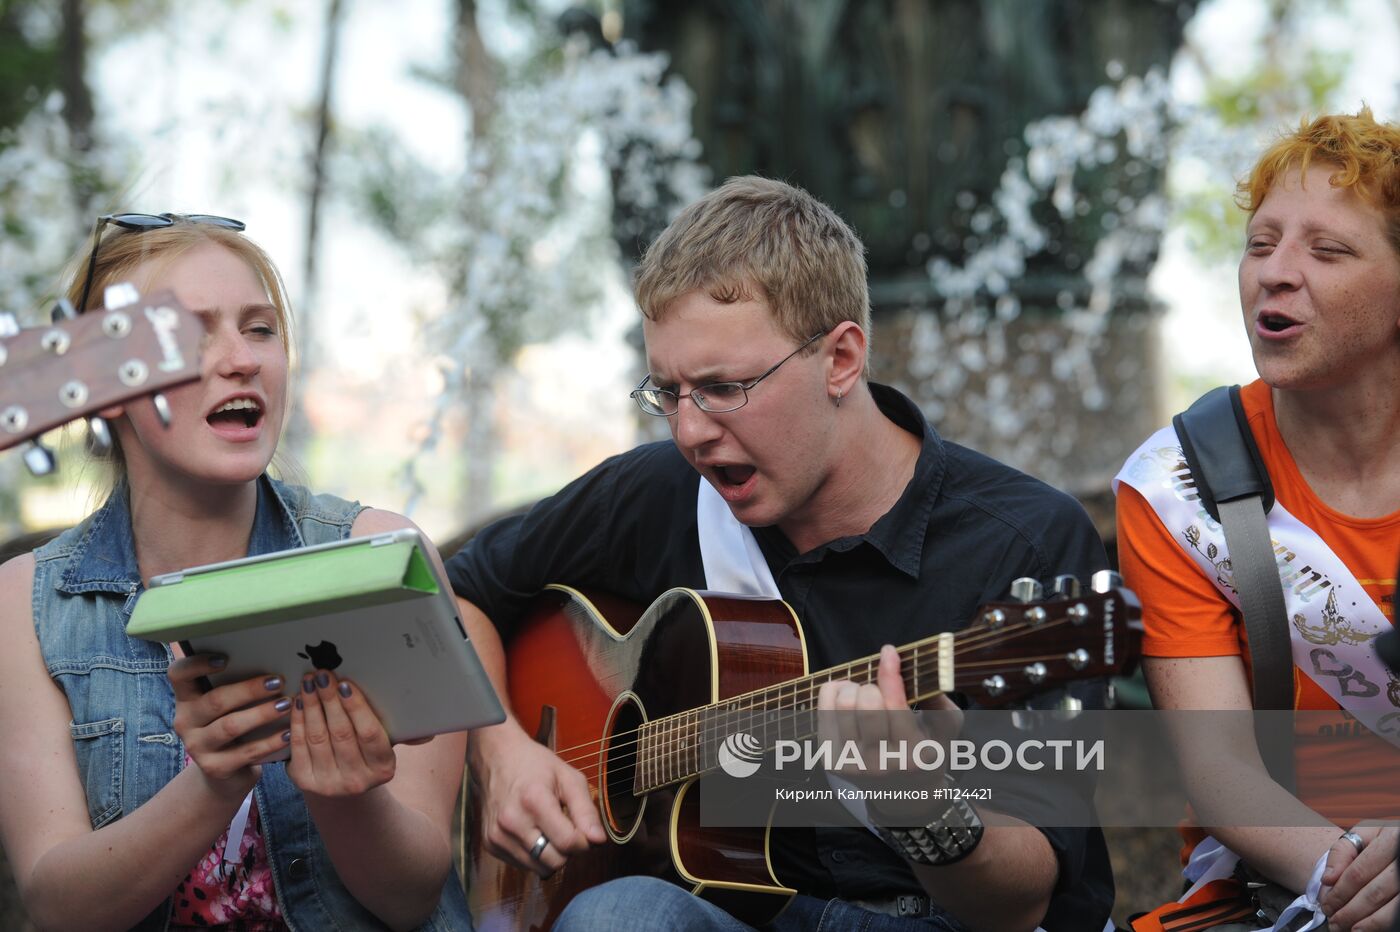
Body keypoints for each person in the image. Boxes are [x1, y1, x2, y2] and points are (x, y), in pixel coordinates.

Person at [448, 176, 1114, 931]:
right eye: (666, 391)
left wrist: (924, 804)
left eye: (724, 387)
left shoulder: (1026, 543)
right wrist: (501, 752)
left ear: (841, 359)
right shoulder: (659, 494)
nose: (690, 430)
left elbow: (1021, 902)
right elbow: (456, 595)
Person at [0, 214, 470, 931]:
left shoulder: (383, 556)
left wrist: (346, 796)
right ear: (101, 388)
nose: (243, 359)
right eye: (189, 335)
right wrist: (212, 785)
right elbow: (57, 906)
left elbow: (412, 897)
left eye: (260, 329)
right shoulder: (24, 603)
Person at [1115, 108, 1400, 931]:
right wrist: (1361, 889)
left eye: (1328, 250)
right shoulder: (1175, 486)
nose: (1274, 273)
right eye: (1261, 242)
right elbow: (1222, 770)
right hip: (1286, 892)